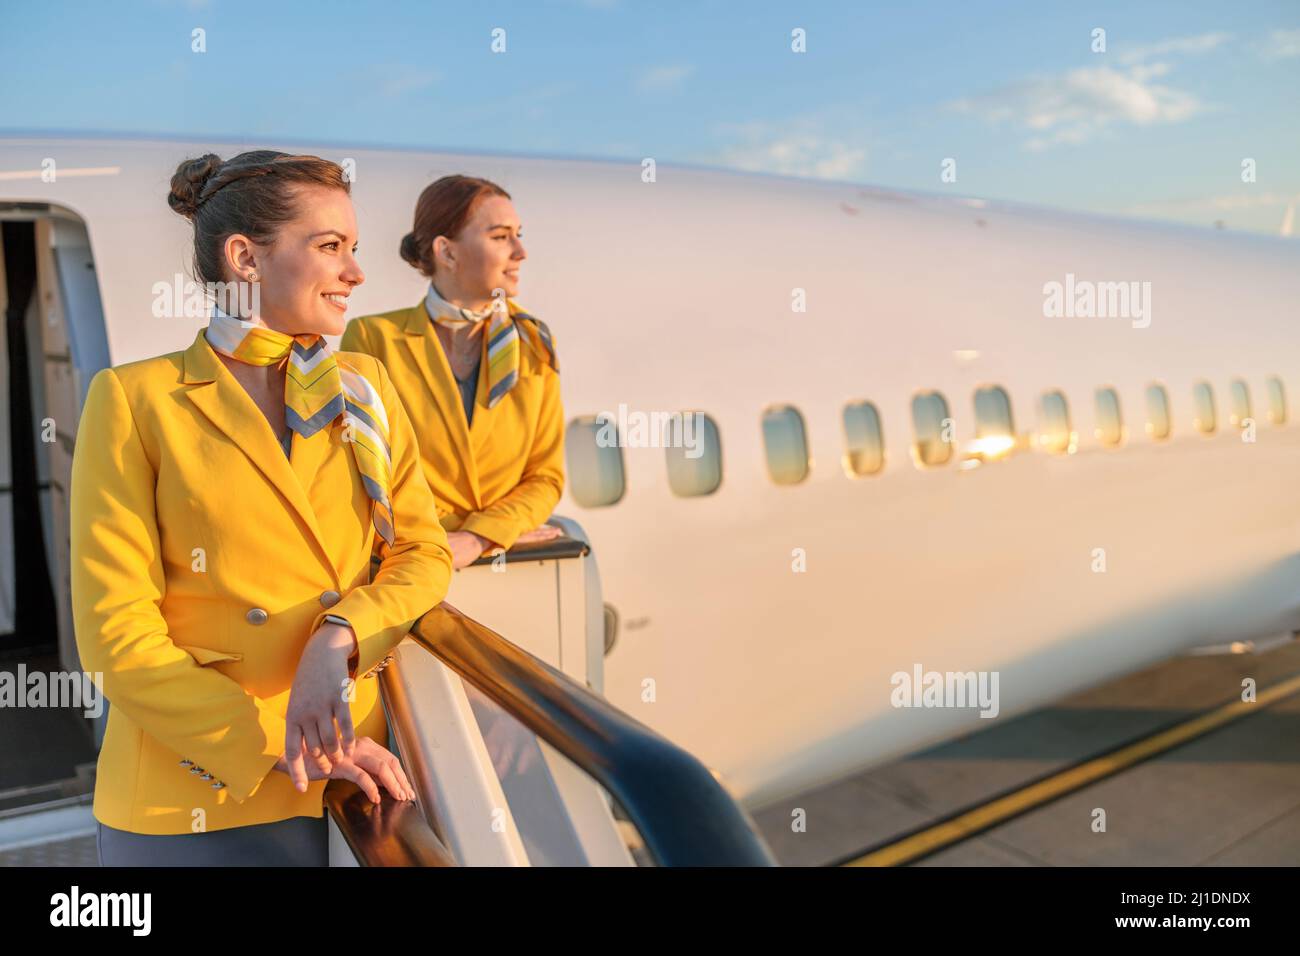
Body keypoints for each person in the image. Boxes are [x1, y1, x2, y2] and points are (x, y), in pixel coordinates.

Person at [71, 150, 453, 866]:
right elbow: (114, 635)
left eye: (354, 249)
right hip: (197, 790)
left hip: (352, 772)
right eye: (330, 248)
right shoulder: (135, 400)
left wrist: (338, 634)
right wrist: (269, 737)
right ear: (245, 258)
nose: (355, 273)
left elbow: (422, 551)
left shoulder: (364, 386)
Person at [340, 175, 564, 570]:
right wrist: (432, 538)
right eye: (500, 237)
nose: (521, 251)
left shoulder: (534, 345)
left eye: (519, 234)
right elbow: (364, 472)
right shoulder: (375, 339)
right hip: (411, 564)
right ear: (447, 252)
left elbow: (546, 477)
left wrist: (483, 535)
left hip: (503, 560)